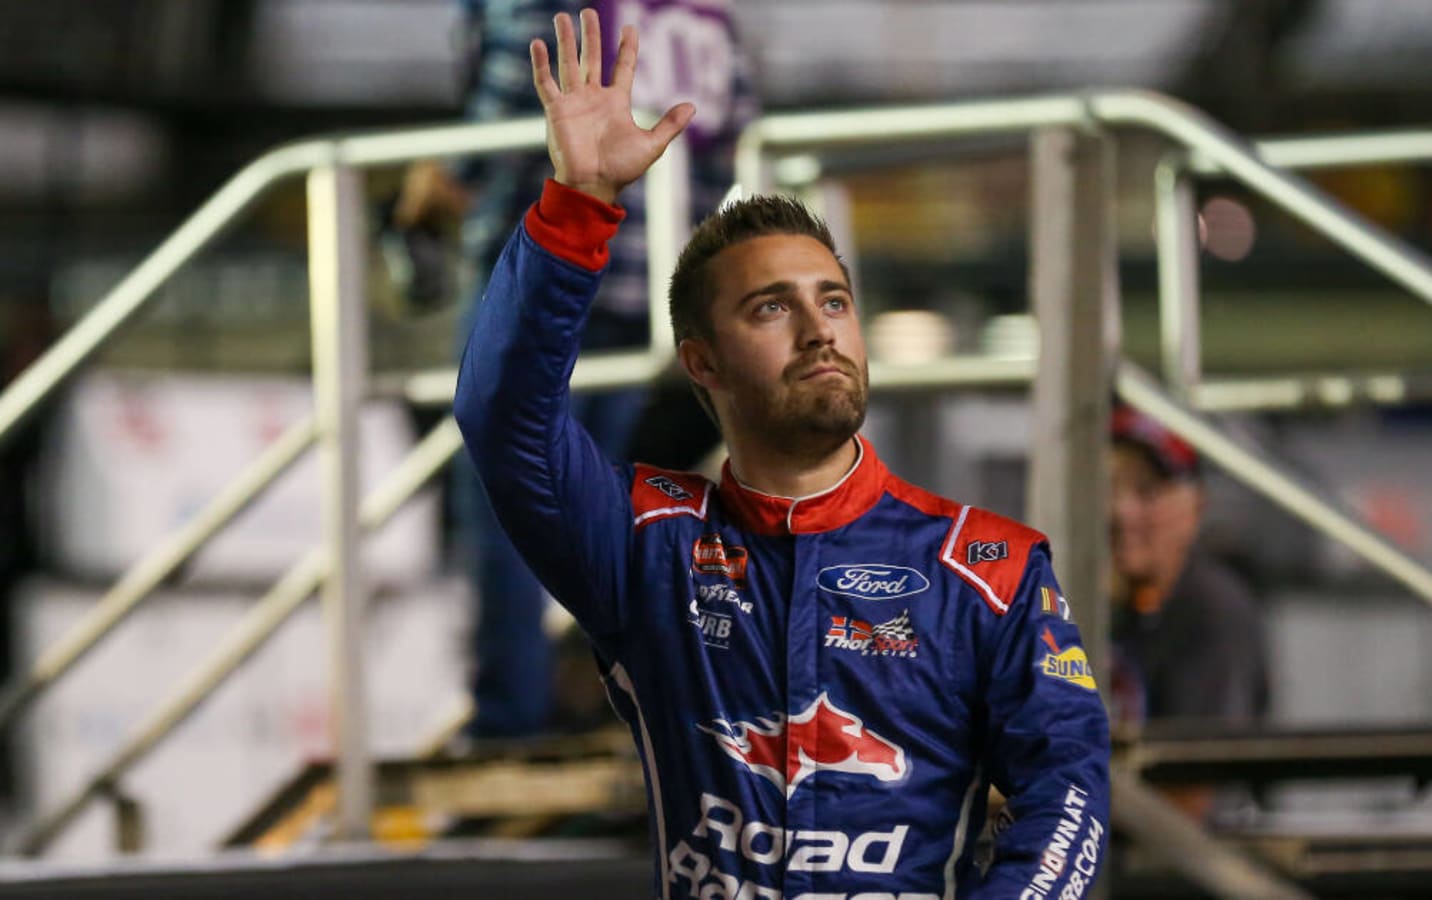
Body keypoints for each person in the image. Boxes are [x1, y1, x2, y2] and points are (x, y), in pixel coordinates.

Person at [454, 11, 1110, 897]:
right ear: (702, 362)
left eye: (833, 301)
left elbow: (1066, 790)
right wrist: (578, 207)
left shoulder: (987, 571)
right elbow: (502, 419)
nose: (817, 332)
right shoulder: (646, 545)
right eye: (770, 308)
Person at [399, 0, 754, 737]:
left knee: (509, 499)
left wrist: (435, 186)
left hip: (549, 269)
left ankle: (511, 718)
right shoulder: (708, 11)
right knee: (607, 509)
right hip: (646, 280)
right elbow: (728, 135)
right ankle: (618, 705)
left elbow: (507, 94)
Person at [1107, 404, 1269, 816]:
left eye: (1147, 491)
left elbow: (1194, 794)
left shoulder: (1211, 611)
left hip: (1200, 865)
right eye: (1108, 487)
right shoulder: (1101, 608)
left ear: (1195, 507)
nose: (1123, 512)